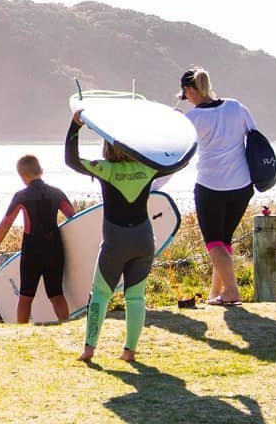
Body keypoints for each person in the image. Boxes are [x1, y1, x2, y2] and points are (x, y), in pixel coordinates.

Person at [66, 111, 159, 362]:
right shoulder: (148, 168)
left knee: (100, 295)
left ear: (106, 145)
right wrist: (164, 128)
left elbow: (71, 160)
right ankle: (129, 351)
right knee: (136, 296)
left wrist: (75, 127)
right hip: (143, 239)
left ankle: (89, 349)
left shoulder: (104, 169)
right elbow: (175, 160)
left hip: (116, 242)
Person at [179, 67, 257, 307]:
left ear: (190, 90)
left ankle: (232, 290)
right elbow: (255, 135)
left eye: (185, 95)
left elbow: (176, 150)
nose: (187, 100)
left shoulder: (192, 118)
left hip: (211, 186)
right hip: (242, 186)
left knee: (214, 242)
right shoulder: (236, 107)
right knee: (223, 242)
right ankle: (217, 293)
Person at [0, 154, 76, 323]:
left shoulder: (22, 196)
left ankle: (21, 331)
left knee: (26, 295)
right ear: (39, 170)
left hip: (32, 249)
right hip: (54, 248)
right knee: (56, 294)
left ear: (22, 175)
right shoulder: (56, 193)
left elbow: (6, 223)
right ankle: (65, 325)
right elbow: (74, 217)